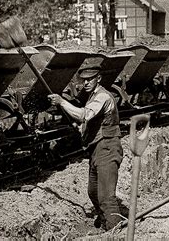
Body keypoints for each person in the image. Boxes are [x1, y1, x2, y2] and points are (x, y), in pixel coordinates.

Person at [48, 64, 123, 230]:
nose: (86, 82)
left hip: (108, 147)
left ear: (99, 79)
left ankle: (115, 230)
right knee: (93, 191)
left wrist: (61, 102)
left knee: (106, 197)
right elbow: (89, 122)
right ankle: (105, 219)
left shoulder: (102, 96)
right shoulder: (92, 96)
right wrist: (81, 128)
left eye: (90, 79)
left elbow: (84, 115)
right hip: (97, 149)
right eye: (84, 80)